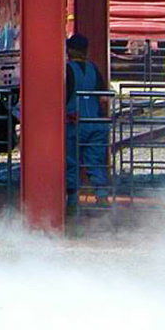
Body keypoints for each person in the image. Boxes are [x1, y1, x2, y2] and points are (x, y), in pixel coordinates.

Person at [66, 33, 111, 205]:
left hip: (74, 122)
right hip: (96, 122)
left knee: (71, 160)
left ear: (70, 49)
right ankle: (101, 196)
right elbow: (103, 97)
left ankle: (72, 200)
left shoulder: (68, 70)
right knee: (96, 161)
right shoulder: (94, 69)